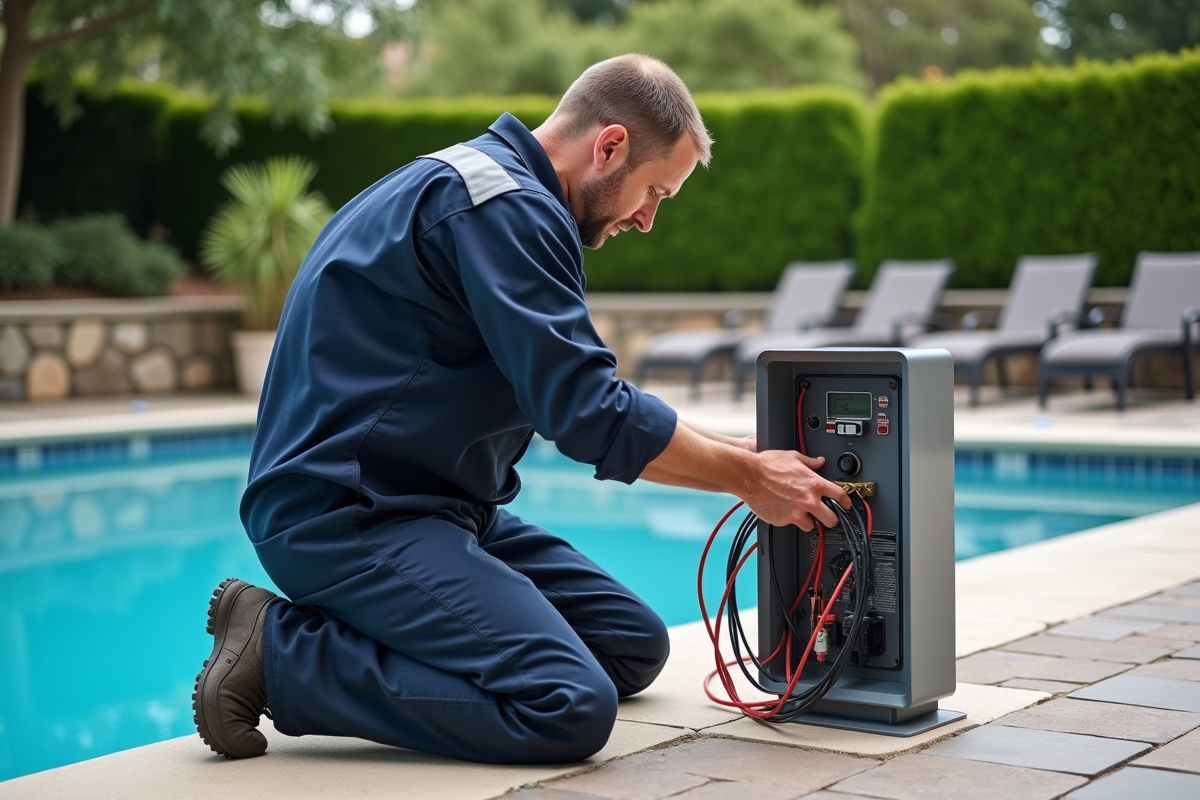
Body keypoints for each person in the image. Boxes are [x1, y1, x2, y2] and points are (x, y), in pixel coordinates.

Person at [193, 54, 849, 766]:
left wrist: (744, 459)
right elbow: (589, 414)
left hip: (433, 504)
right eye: (655, 192)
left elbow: (591, 394)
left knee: (630, 645)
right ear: (610, 145)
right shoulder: (501, 207)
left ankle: (379, 633)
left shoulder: (492, 189)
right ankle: (282, 652)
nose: (651, 220)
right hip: (346, 514)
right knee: (568, 706)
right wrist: (749, 480)